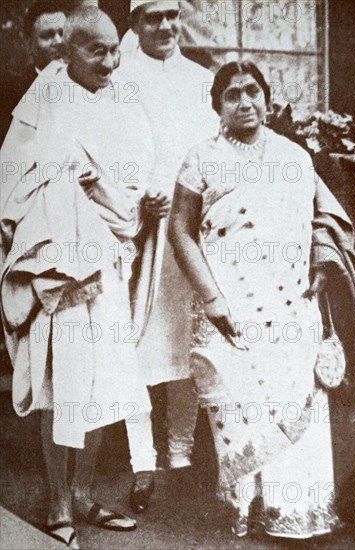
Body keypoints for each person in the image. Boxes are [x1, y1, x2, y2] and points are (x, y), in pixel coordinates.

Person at [168, 61, 355, 539]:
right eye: (232, 94)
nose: (245, 102)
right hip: (229, 303)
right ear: (217, 105)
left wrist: (320, 263)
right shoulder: (201, 158)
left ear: (268, 98)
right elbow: (179, 228)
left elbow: (328, 219)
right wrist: (211, 298)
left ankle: (299, 511)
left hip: (291, 301)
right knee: (240, 401)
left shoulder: (295, 157)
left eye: (252, 91)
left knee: (293, 395)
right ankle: (247, 507)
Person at [1, 10, 157, 548]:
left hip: (109, 257)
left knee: (105, 378)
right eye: (99, 52)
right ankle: (58, 501)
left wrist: (113, 193)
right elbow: (10, 176)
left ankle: (86, 493)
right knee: (61, 378)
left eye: (116, 51)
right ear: (68, 49)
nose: (111, 62)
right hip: (57, 259)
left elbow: (138, 173)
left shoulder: (123, 100)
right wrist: (63, 179)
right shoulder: (41, 100)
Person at [116, 0, 219, 486]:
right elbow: (105, 149)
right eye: (152, 17)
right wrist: (138, 199)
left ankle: (181, 448)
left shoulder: (202, 80)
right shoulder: (115, 75)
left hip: (193, 229)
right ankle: (142, 456)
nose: (164, 26)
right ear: (135, 22)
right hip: (139, 229)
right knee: (133, 339)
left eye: (171, 15)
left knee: (190, 337)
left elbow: (215, 150)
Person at [0, 0, 67, 144]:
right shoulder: (10, 92)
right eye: (48, 35)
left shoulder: (87, 85)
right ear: (28, 42)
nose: (59, 42)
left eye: (63, 33)